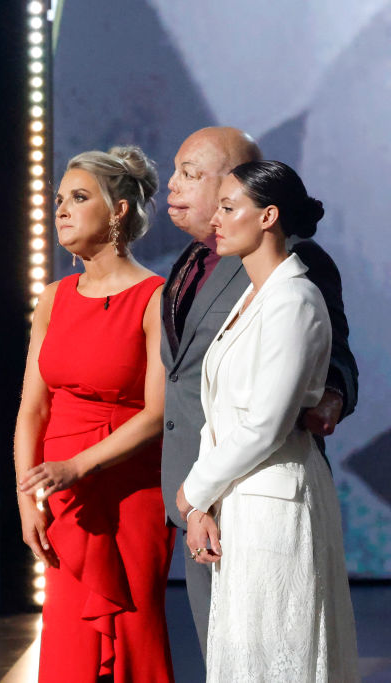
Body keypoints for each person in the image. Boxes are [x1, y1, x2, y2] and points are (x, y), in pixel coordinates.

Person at [160, 127, 358, 656]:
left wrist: (332, 394)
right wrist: (195, 497)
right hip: (204, 493)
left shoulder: (296, 276)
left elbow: (326, 359)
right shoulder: (188, 264)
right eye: (175, 170)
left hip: (257, 487)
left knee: (275, 649)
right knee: (227, 651)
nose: (172, 186)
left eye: (191, 175)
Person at [15, 146, 176, 681]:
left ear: (118, 212)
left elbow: (157, 414)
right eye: (59, 199)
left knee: (134, 629)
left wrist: (76, 467)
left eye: (78, 198)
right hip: (65, 498)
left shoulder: (156, 297)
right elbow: (32, 410)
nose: (60, 209)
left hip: (130, 489)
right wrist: (26, 499)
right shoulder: (52, 299)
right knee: (69, 639)